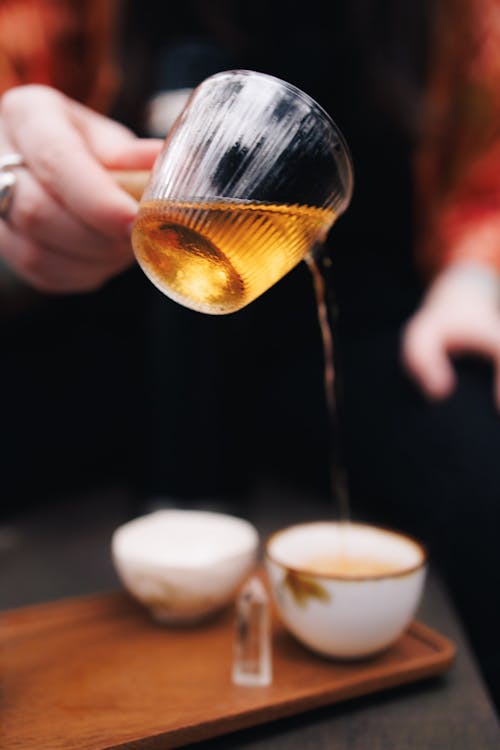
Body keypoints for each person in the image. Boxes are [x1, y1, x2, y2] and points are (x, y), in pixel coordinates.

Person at [0, 0, 499, 708]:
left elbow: (490, 174)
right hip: (106, 305)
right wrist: (11, 182)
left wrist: (474, 283)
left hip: (356, 328)